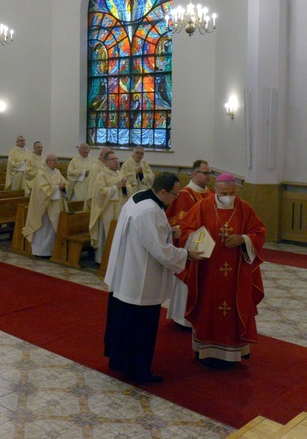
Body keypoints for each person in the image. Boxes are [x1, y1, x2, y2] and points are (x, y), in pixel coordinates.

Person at [104, 172, 203, 383]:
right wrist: (187, 255)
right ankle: (139, 372)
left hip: (127, 272)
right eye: (174, 194)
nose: (176, 199)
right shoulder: (150, 211)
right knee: (141, 327)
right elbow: (160, 251)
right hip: (141, 278)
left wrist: (169, 230)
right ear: (163, 191)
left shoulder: (139, 197)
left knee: (124, 323)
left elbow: (149, 233)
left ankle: (120, 361)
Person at [178, 173, 266, 366]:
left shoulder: (244, 208)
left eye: (232, 193)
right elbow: (186, 230)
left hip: (236, 271)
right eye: (224, 192)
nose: (228, 197)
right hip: (207, 270)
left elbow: (258, 232)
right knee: (207, 306)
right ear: (216, 189)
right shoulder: (202, 206)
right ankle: (205, 349)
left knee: (235, 307)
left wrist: (243, 239)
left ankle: (233, 353)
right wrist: (201, 241)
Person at [165, 159, 214, 327]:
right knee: (188, 281)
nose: (209, 176)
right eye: (206, 173)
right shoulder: (186, 194)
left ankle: (200, 317)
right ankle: (182, 318)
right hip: (190, 244)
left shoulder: (210, 193)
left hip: (209, 244)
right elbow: (180, 223)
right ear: (195, 174)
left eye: (210, 173)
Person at [23, 154, 68, 258]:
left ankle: (50, 251)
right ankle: (40, 252)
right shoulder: (41, 174)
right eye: (54, 161)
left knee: (52, 230)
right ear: (47, 162)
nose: (56, 162)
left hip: (55, 206)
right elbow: (42, 190)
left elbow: (65, 184)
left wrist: (63, 187)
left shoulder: (57, 172)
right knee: (43, 229)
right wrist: (57, 187)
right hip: (44, 207)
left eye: (57, 160)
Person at [89, 150, 130, 264]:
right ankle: (103, 260)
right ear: (106, 162)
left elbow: (128, 187)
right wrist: (115, 187)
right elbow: (100, 193)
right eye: (113, 159)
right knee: (107, 234)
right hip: (107, 209)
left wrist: (124, 187)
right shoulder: (102, 175)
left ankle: (116, 260)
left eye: (117, 159)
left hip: (119, 208)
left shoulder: (120, 173)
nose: (116, 162)